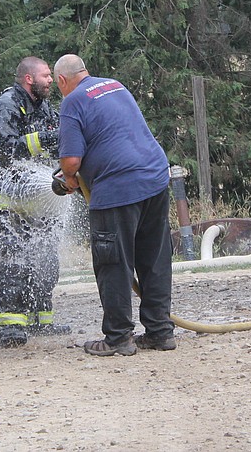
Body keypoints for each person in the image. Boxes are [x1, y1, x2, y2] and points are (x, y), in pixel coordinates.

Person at [53, 54, 175, 356]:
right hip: (155, 178)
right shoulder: (114, 85)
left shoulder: (71, 101)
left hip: (117, 187)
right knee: (153, 258)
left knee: (113, 264)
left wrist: (69, 179)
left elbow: (71, 161)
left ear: (61, 81)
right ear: (86, 71)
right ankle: (160, 332)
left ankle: (119, 338)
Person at [0, 56, 70, 348]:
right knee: (14, 259)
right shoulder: (6, 106)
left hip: (35, 203)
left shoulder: (43, 107)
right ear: (29, 79)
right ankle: (6, 327)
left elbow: (58, 140)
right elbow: (6, 150)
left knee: (46, 260)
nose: (50, 80)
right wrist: (46, 138)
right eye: (46, 75)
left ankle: (40, 320)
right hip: (2, 204)